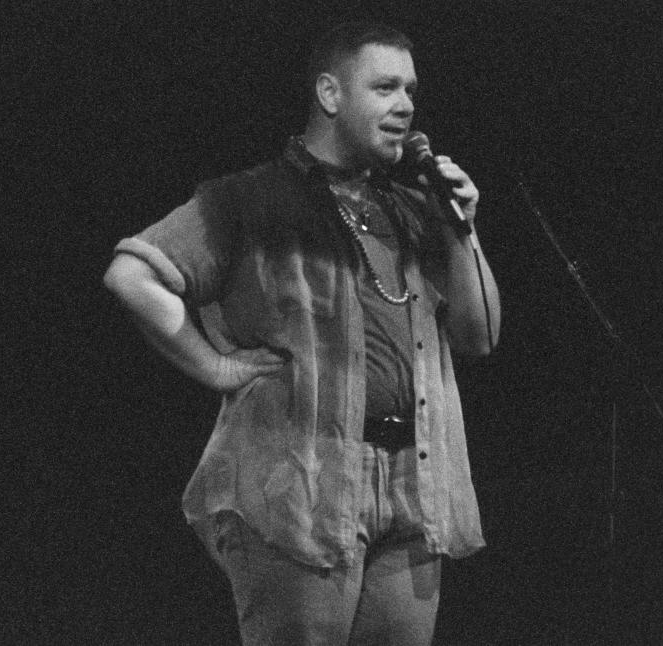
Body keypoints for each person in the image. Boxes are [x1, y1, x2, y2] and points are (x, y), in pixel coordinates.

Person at [104, 20, 501, 646]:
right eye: (386, 87)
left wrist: (463, 226)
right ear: (330, 93)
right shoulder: (255, 199)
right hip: (301, 485)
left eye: (411, 90)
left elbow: (479, 335)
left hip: (413, 483)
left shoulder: (412, 211)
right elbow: (132, 275)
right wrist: (215, 367)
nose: (406, 106)